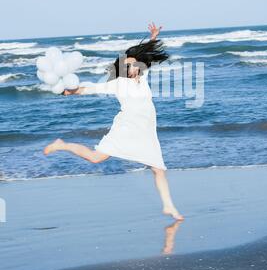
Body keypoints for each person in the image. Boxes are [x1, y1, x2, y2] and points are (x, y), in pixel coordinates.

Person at [44, 23, 184, 220]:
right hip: (125, 128)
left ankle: (168, 206)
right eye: (127, 65)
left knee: (159, 169)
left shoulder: (143, 77)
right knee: (95, 158)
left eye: (134, 63)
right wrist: (71, 91)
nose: (131, 67)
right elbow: (91, 88)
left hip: (146, 131)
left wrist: (153, 36)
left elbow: (148, 54)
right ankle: (62, 145)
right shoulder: (118, 83)